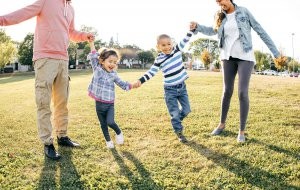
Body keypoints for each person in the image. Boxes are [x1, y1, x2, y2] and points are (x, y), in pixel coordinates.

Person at [0, 0, 94, 160]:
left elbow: (71, 32)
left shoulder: (70, 8)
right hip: (44, 59)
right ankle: (47, 143)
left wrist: (84, 36)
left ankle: (62, 136)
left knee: (62, 102)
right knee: (43, 103)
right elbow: (21, 14)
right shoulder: (46, 1)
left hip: (63, 60)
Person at [190, 0, 284, 142]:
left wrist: (275, 53)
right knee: (227, 91)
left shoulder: (244, 12)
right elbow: (212, 30)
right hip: (227, 57)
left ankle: (241, 131)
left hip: (245, 56)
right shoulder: (220, 15)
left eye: (221, 1)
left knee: (242, 92)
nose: (220, 4)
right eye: (217, 2)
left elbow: (260, 31)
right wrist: (197, 27)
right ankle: (221, 125)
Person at [133, 30, 194, 143]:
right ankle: (179, 132)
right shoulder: (159, 60)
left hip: (182, 87)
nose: (167, 47)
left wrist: (191, 30)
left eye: (169, 44)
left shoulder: (177, 50)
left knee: (186, 110)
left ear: (172, 43)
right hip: (170, 90)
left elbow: (185, 40)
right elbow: (151, 72)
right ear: (158, 46)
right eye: (163, 45)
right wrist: (140, 80)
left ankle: (175, 121)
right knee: (175, 112)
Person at [88, 40, 134, 149]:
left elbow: (122, 83)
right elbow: (94, 56)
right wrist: (91, 43)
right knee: (103, 124)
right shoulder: (97, 69)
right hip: (99, 103)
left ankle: (118, 132)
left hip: (109, 104)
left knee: (110, 122)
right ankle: (108, 141)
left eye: (115, 62)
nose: (113, 64)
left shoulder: (114, 74)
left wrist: (132, 85)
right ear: (102, 61)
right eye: (110, 61)